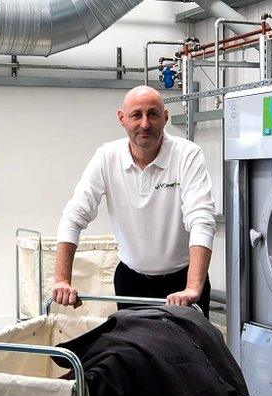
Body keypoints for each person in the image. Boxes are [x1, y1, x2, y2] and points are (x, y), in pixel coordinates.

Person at [52, 85, 217, 316]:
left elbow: (202, 219)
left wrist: (192, 287)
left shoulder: (187, 155)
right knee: (133, 351)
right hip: (130, 282)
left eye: (153, 114)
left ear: (165, 117)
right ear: (122, 118)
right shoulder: (107, 157)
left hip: (182, 284)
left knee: (188, 351)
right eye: (136, 115)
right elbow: (74, 215)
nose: (145, 124)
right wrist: (61, 279)